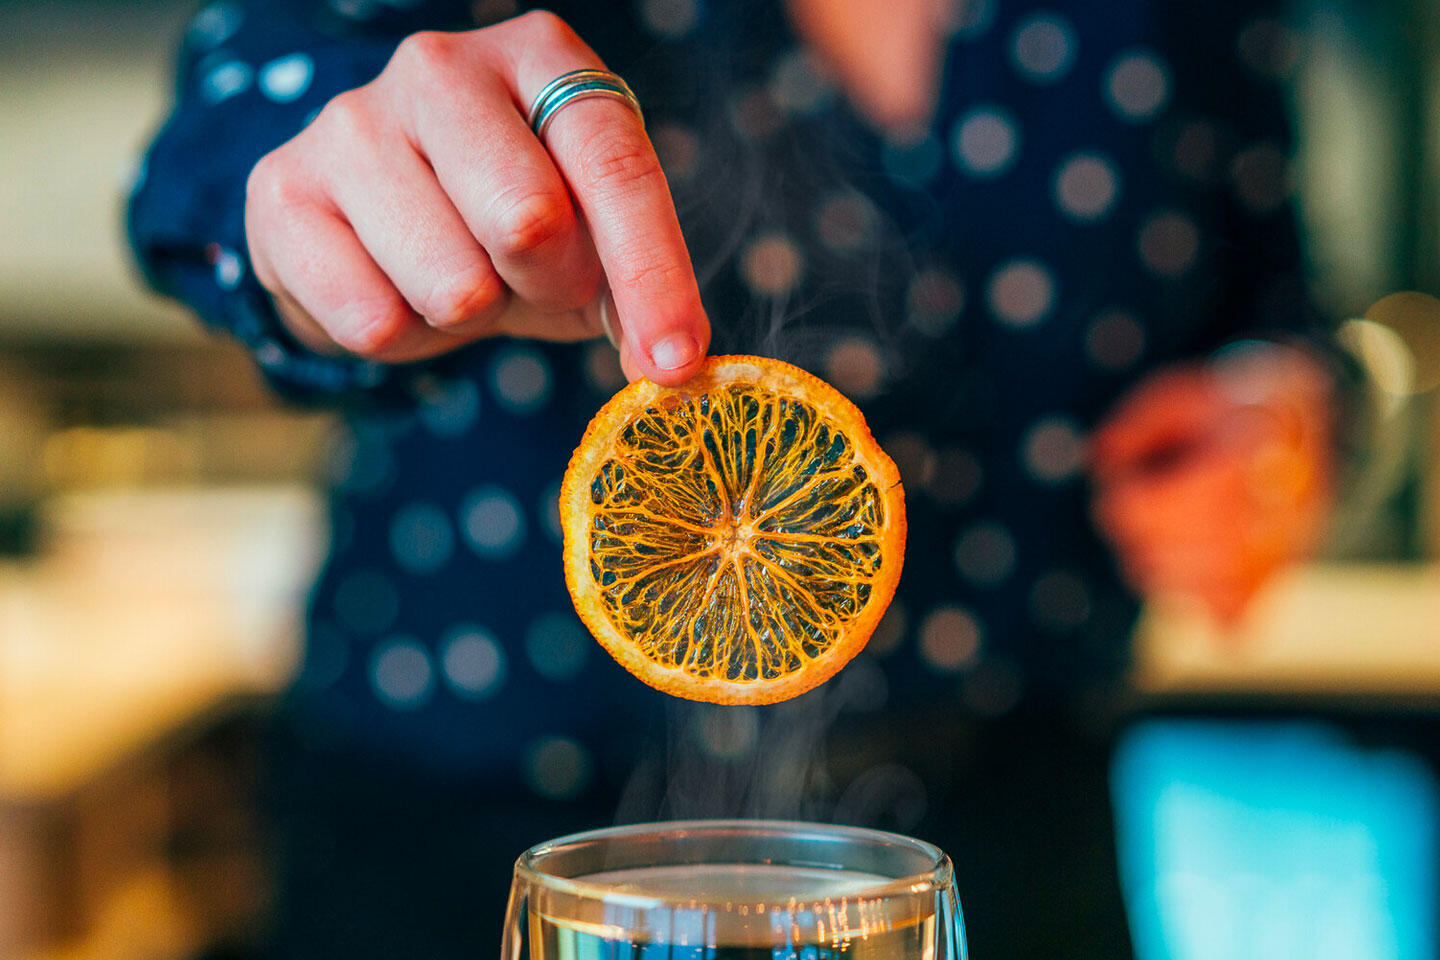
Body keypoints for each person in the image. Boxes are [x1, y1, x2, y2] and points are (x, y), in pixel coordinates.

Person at [128, 1, 1338, 957]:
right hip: (479, 849)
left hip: (1009, 843)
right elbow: (239, 126)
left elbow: (1282, 306)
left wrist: (1299, 418)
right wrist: (312, 209)